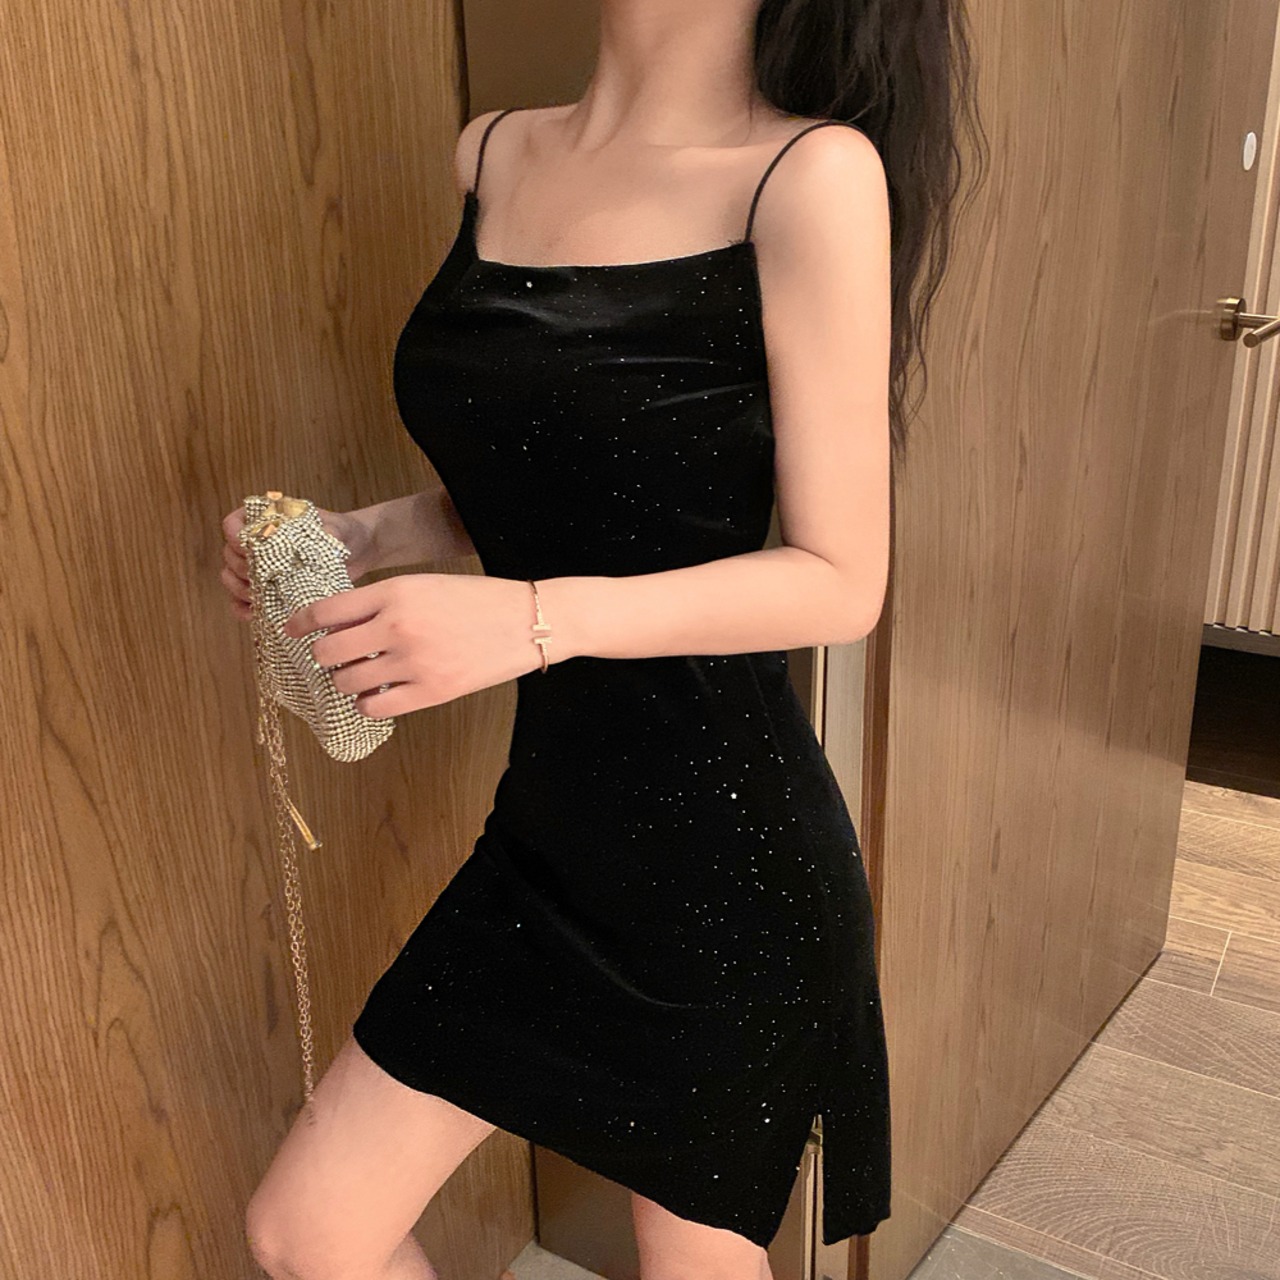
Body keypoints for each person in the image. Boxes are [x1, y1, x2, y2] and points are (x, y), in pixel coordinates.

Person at [220, 2, 979, 1277]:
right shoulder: (493, 153)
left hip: (727, 865)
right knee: (306, 1231)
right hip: (547, 842)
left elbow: (840, 580)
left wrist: (529, 620)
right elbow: (563, 471)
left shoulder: (809, 175)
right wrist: (370, 532)